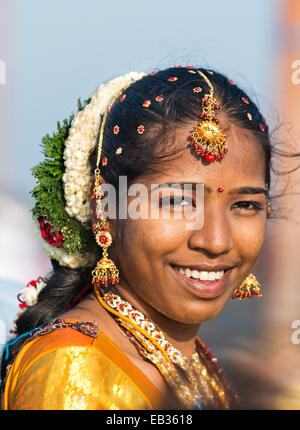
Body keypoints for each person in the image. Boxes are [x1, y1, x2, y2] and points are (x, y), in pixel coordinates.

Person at [0, 66, 273, 410]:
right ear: (104, 209)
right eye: (177, 202)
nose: (217, 241)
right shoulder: (75, 371)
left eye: (245, 204)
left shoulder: (192, 364)